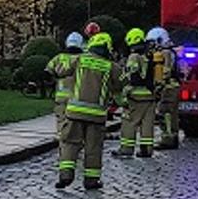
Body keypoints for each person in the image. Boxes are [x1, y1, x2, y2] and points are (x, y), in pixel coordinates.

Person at [60, 32, 117, 189]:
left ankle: (66, 173)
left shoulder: (79, 59)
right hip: (97, 116)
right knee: (93, 148)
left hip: (74, 112)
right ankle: (91, 181)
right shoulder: (110, 65)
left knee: (70, 142)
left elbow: (61, 70)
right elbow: (122, 82)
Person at [46, 32, 86, 181]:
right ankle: (78, 150)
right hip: (78, 100)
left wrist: (55, 80)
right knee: (78, 128)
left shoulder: (58, 58)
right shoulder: (84, 59)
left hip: (61, 100)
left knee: (62, 127)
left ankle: (64, 152)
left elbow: (47, 72)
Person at [117, 28, 159, 159]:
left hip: (136, 96)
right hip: (150, 96)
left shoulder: (134, 56)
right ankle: (146, 150)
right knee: (147, 124)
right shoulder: (150, 55)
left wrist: (122, 83)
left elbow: (132, 75)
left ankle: (126, 149)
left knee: (129, 122)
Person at [148, 27, 184, 150]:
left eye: (153, 42)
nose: (152, 46)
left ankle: (168, 139)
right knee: (172, 114)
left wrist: (158, 86)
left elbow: (165, 72)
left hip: (169, 86)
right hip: (173, 85)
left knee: (165, 112)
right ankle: (172, 137)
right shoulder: (171, 51)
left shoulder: (165, 53)